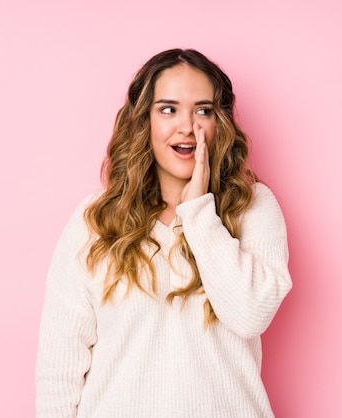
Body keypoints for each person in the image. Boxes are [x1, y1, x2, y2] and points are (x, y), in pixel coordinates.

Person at [35, 48, 292, 418]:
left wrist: (198, 212)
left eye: (202, 110)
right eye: (168, 109)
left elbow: (249, 315)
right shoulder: (95, 220)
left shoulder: (253, 208)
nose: (187, 126)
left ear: (220, 123)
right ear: (144, 122)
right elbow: (59, 369)